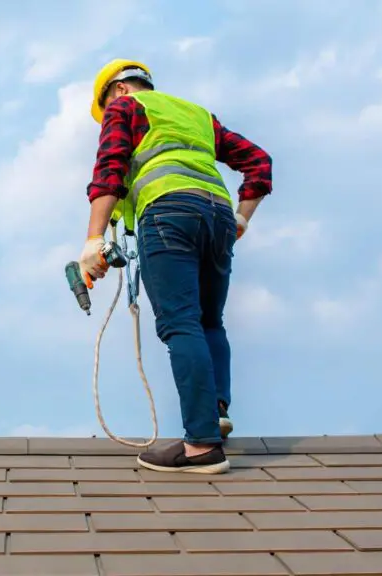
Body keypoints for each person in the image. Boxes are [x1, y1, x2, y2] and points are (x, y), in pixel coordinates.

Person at [78, 59, 272, 474]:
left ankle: (201, 447)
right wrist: (241, 218)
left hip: (168, 213)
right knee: (209, 322)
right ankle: (214, 414)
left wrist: (93, 240)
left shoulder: (125, 109)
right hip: (218, 215)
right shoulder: (197, 115)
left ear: (118, 91)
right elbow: (258, 161)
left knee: (180, 323)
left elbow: (110, 170)